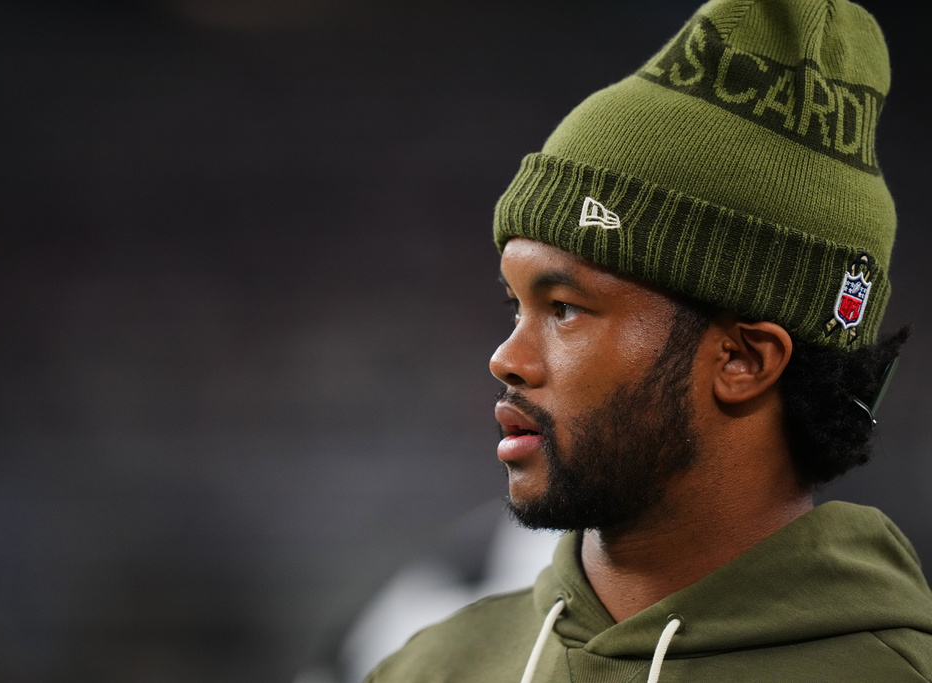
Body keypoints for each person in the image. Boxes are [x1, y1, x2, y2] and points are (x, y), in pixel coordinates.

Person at [365, 0, 932, 680]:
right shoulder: (426, 667)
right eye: (513, 304)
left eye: (565, 308)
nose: (507, 359)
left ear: (744, 359)